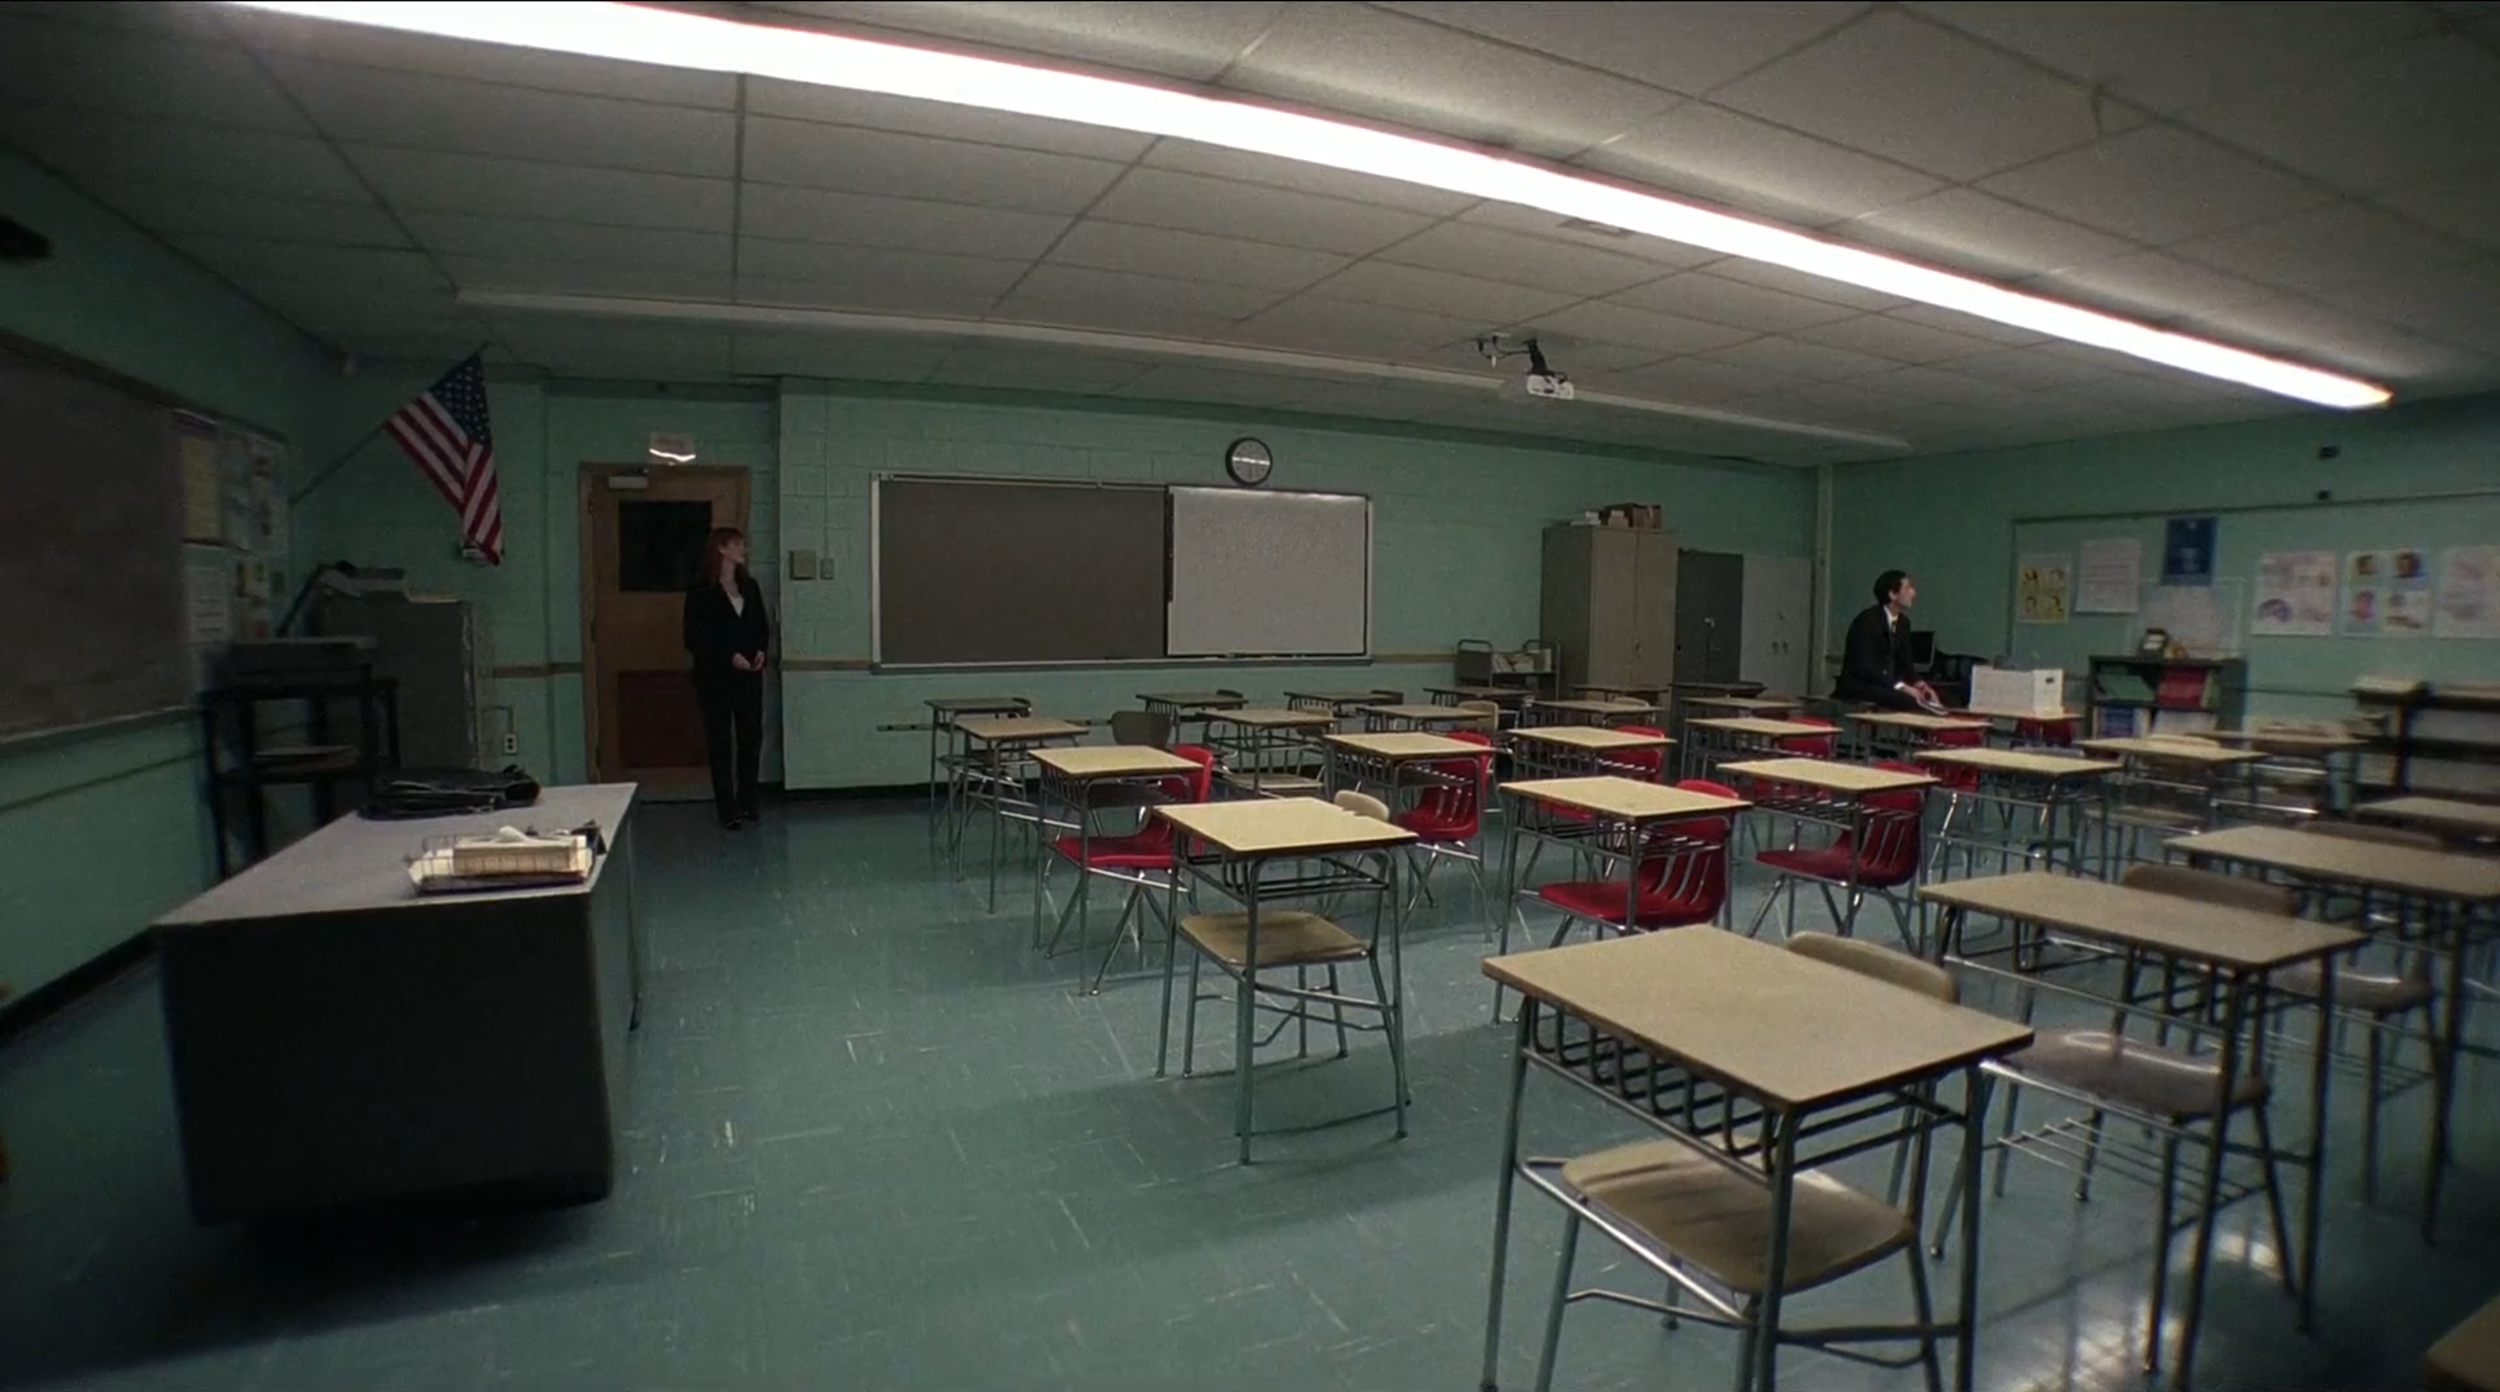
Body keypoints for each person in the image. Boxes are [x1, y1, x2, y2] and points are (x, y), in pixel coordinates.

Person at [683, 527, 770, 829]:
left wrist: (761, 651)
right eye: (737, 544)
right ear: (721, 548)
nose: (743, 550)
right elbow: (694, 636)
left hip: (750, 675)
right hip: (716, 676)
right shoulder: (701, 590)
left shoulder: (749, 587)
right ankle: (727, 807)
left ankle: (749, 800)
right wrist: (728, 656)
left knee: (751, 737)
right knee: (720, 740)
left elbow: (761, 626)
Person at [1836, 569, 1937, 711]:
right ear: (1892, 594)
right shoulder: (1867, 621)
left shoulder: (1903, 623)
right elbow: (1865, 668)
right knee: (1909, 700)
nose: (1913, 593)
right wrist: (1901, 686)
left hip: (1885, 684)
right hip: (1862, 686)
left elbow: (1905, 662)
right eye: (1908, 588)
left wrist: (1919, 683)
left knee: (1929, 698)